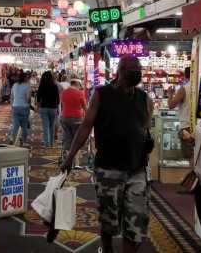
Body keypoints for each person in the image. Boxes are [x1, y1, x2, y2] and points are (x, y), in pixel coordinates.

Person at [62, 55, 153, 253]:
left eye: (138, 68)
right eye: (131, 68)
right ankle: (107, 249)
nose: (136, 72)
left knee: (136, 223)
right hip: (108, 168)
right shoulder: (101, 94)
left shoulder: (145, 99)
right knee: (108, 221)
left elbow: (144, 130)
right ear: (119, 71)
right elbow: (85, 126)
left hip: (136, 170)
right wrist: (70, 156)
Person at [168, 66, 194, 163]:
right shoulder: (200, 87)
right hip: (198, 126)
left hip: (187, 127)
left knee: (190, 158)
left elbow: (171, 105)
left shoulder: (184, 89)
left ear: (185, 76)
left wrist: (170, 94)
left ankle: (193, 177)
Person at [60, 79, 87, 167]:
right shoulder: (79, 93)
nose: (80, 87)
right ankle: (76, 163)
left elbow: (62, 105)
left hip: (64, 117)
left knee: (67, 139)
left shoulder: (64, 92)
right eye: (80, 85)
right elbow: (85, 107)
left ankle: (68, 161)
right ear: (77, 84)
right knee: (77, 140)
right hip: (77, 118)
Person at [37, 71, 60, 147]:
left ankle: (46, 142)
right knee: (52, 126)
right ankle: (51, 143)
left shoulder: (42, 86)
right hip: (53, 108)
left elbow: (38, 98)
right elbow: (58, 99)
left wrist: (38, 107)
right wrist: (57, 108)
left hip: (44, 108)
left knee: (45, 126)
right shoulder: (55, 86)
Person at [9, 71, 32, 146]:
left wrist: (12, 106)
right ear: (25, 78)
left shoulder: (14, 85)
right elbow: (28, 98)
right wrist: (29, 103)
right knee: (24, 125)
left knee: (15, 124)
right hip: (24, 107)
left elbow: (11, 97)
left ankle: (12, 138)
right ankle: (24, 141)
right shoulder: (27, 86)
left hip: (15, 107)